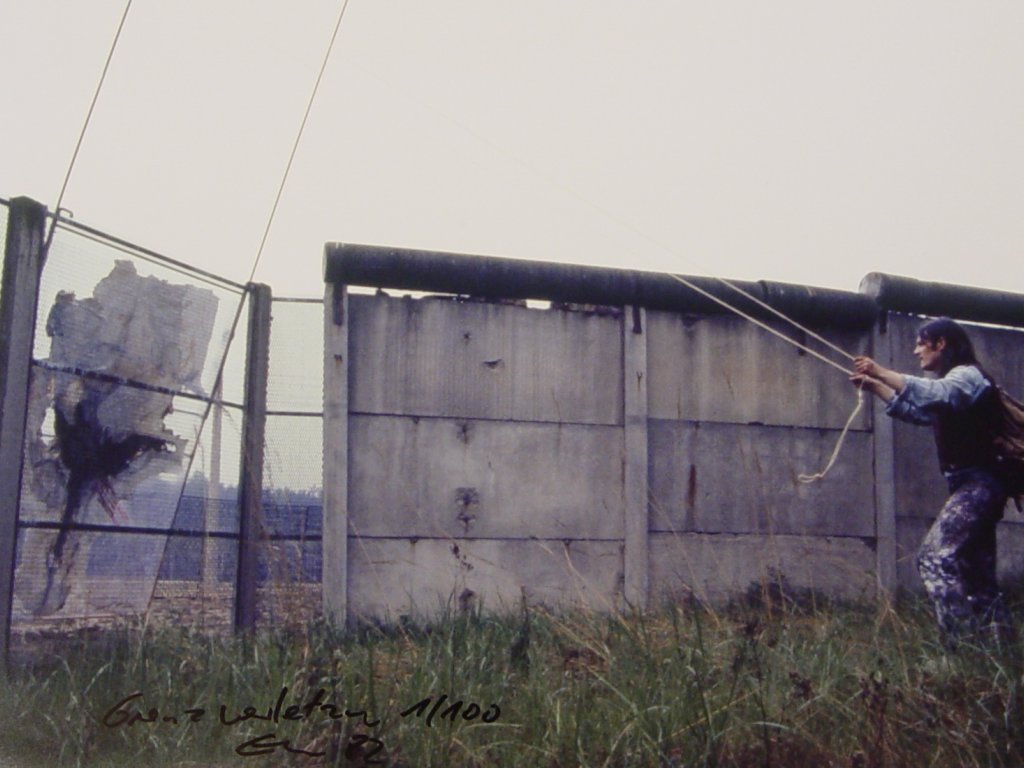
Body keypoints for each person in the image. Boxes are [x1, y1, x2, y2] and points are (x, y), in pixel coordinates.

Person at [850, 316, 1011, 642]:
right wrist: (876, 387)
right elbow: (923, 412)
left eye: (922, 343)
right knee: (978, 577)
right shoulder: (956, 385)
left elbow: (935, 394)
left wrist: (881, 371)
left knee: (934, 558)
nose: (915, 351)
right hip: (976, 486)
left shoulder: (966, 376)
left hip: (979, 486)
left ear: (942, 344)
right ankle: (1000, 651)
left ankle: (960, 645)